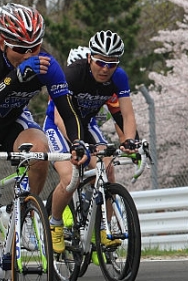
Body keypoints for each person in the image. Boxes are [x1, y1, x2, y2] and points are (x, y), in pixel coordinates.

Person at [0, 3, 86, 222]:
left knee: (39, 148)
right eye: (21, 49)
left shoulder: (46, 65)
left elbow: (67, 110)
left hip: (13, 122)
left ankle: (24, 213)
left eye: (35, 47)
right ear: (3, 43)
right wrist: (13, 78)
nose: (28, 55)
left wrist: (78, 141)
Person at [44, 31, 138, 254]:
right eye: (100, 62)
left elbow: (127, 115)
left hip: (86, 124)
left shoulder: (119, 77)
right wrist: (77, 143)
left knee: (107, 168)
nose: (105, 68)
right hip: (58, 126)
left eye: (112, 64)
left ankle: (103, 228)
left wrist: (131, 141)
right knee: (69, 177)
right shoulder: (73, 75)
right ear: (90, 58)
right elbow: (59, 116)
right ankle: (55, 223)